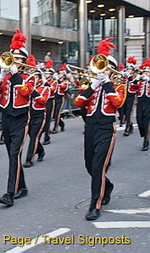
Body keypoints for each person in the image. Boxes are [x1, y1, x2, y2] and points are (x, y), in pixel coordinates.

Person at [74, 38, 126, 220]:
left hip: (105, 127)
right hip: (90, 126)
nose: (101, 70)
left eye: (104, 67)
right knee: (89, 164)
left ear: (110, 69)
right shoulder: (92, 85)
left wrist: (106, 83)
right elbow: (78, 102)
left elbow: (118, 102)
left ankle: (95, 205)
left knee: (98, 166)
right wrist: (95, 85)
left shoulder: (118, 85)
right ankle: (107, 185)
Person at [0, 29, 34, 207]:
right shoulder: (6, 76)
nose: (14, 61)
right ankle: (22, 186)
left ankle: (10, 193)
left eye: (18, 58)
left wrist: (14, 75)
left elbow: (26, 92)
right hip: (7, 117)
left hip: (21, 118)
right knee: (11, 155)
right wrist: (0, 78)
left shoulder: (29, 76)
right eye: (12, 57)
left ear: (24, 61)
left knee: (14, 154)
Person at [23, 56, 49, 168]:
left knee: (34, 136)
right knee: (32, 136)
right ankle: (41, 150)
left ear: (39, 78)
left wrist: (33, 92)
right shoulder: (28, 87)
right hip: (29, 114)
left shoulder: (45, 88)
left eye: (35, 77)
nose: (33, 79)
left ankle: (29, 159)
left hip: (39, 115)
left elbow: (43, 100)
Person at [121, 57, 139, 136]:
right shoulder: (124, 77)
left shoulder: (136, 78)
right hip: (124, 95)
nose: (128, 70)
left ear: (133, 71)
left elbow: (135, 84)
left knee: (129, 112)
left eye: (130, 69)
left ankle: (127, 128)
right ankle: (130, 124)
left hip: (131, 96)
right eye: (127, 69)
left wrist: (129, 77)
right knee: (124, 112)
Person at [135, 58, 150, 151]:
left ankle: (146, 142)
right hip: (140, 101)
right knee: (139, 119)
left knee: (147, 121)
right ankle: (144, 134)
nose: (145, 73)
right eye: (145, 72)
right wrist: (137, 78)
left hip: (149, 102)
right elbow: (132, 84)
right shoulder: (141, 80)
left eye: (148, 72)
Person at [42, 59, 57, 145]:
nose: (46, 75)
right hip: (42, 101)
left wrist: (46, 83)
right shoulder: (42, 81)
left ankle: (47, 136)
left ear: (51, 75)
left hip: (50, 101)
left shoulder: (54, 81)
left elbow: (52, 89)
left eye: (47, 74)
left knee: (48, 119)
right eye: (45, 73)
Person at [51, 64, 68, 133]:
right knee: (54, 114)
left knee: (57, 113)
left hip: (60, 99)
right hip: (54, 98)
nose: (59, 75)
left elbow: (63, 87)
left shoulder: (65, 82)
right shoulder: (55, 81)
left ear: (63, 75)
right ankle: (62, 124)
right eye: (58, 73)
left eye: (60, 74)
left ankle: (55, 128)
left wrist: (58, 81)